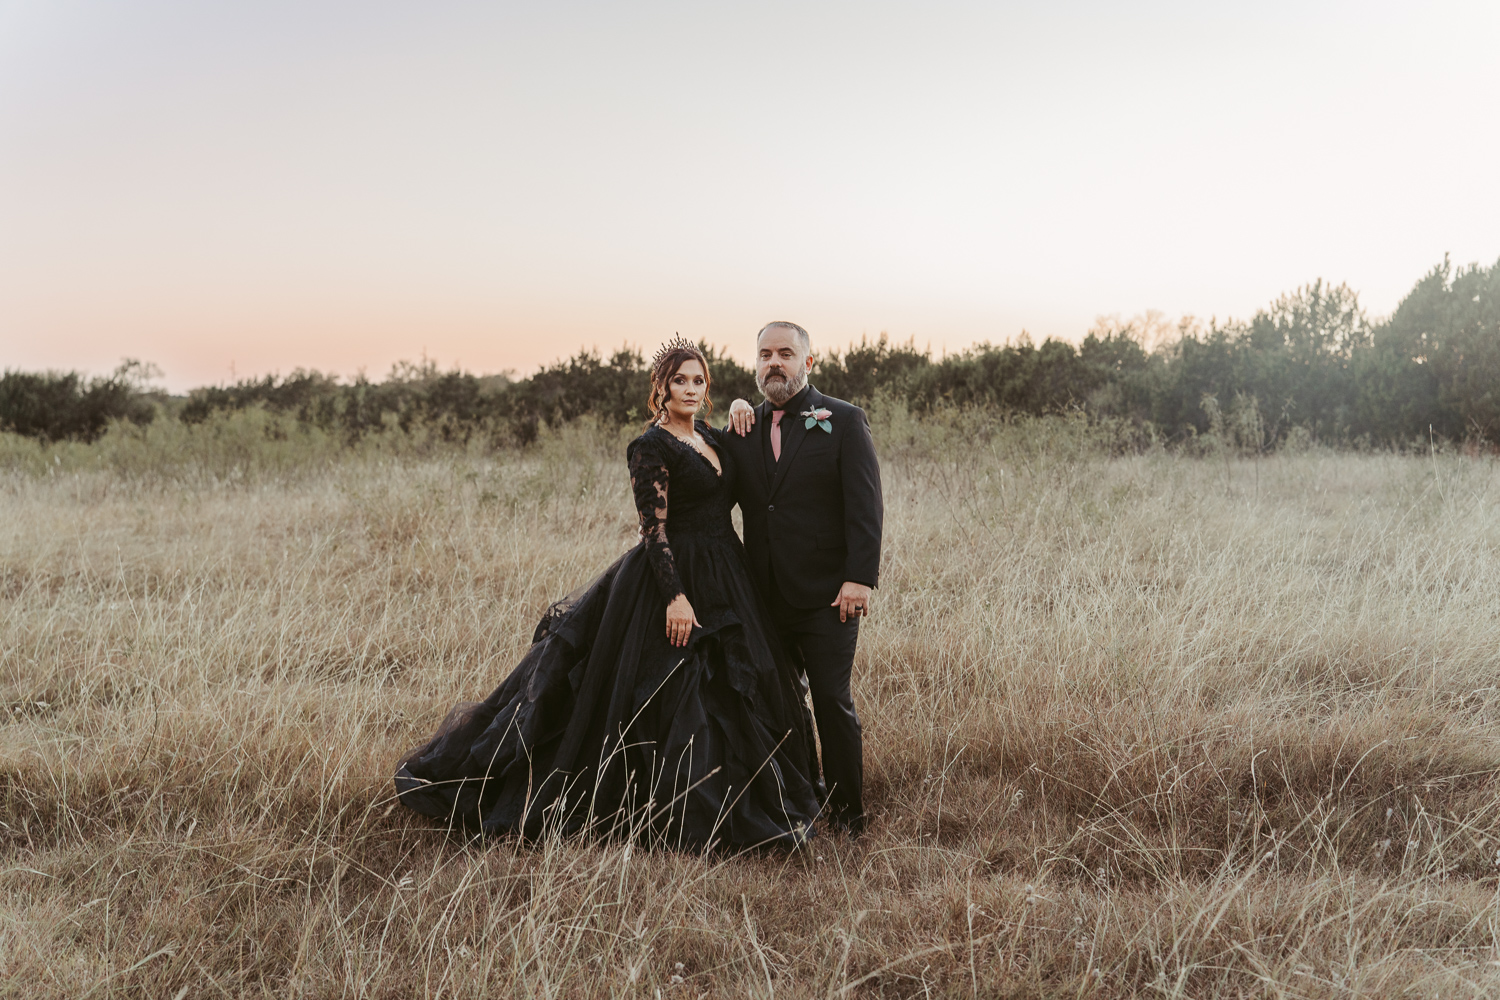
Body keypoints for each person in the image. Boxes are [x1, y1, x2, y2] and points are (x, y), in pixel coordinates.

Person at [393, 337, 822, 851]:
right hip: (672, 578)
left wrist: (737, 406)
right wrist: (675, 598)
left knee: (742, 683)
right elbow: (654, 531)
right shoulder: (650, 446)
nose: (689, 389)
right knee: (677, 692)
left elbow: (742, 453)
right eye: (679, 380)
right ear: (660, 388)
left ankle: (755, 793)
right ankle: (678, 806)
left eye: (698, 381)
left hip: (727, 572)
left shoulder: (710, 435)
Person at [721, 321, 883, 835]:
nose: (774, 362)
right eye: (765, 354)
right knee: (776, 703)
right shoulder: (742, 430)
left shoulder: (843, 420)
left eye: (785, 353)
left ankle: (849, 814)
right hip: (763, 598)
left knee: (832, 701)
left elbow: (865, 507)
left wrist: (858, 579)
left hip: (827, 597)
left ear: (808, 363)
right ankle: (795, 800)